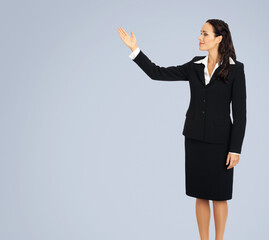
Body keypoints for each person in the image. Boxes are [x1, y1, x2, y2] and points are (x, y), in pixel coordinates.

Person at [117, 19, 247, 240]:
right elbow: (157, 73)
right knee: (200, 194)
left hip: (221, 143)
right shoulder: (195, 65)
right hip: (194, 139)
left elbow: (241, 113)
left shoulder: (236, 69)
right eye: (200, 33)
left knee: (219, 195)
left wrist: (235, 149)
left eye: (205, 34)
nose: (200, 37)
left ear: (219, 38)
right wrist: (135, 50)